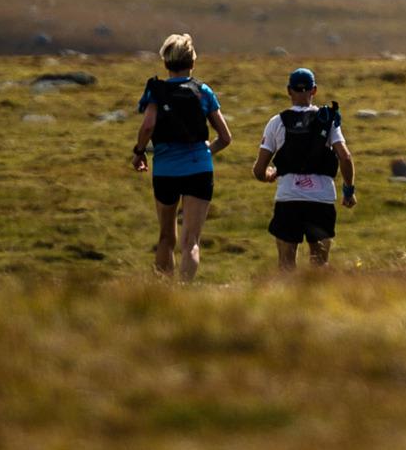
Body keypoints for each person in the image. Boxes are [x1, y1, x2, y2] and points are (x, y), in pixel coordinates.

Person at [132, 31, 232, 282]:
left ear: (166, 63)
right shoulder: (202, 91)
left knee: (166, 236)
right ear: (193, 62)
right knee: (191, 242)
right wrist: (206, 151)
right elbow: (225, 137)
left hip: (165, 170)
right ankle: (184, 291)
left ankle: (163, 292)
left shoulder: (156, 91)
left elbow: (147, 126)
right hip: (199, 170)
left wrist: (139, 152)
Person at [252, 66, 354, 271]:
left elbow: (259, 169)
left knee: (286, 264)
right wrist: (348, 191)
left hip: (288, 199)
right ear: (313, 90)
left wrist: (268, 175)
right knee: (320, 264)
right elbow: (345, 156)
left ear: (289, 91)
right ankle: (317, 301)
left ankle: (288, 302)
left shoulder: (276, 122)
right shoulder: (328, 120)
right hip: (321, 199)